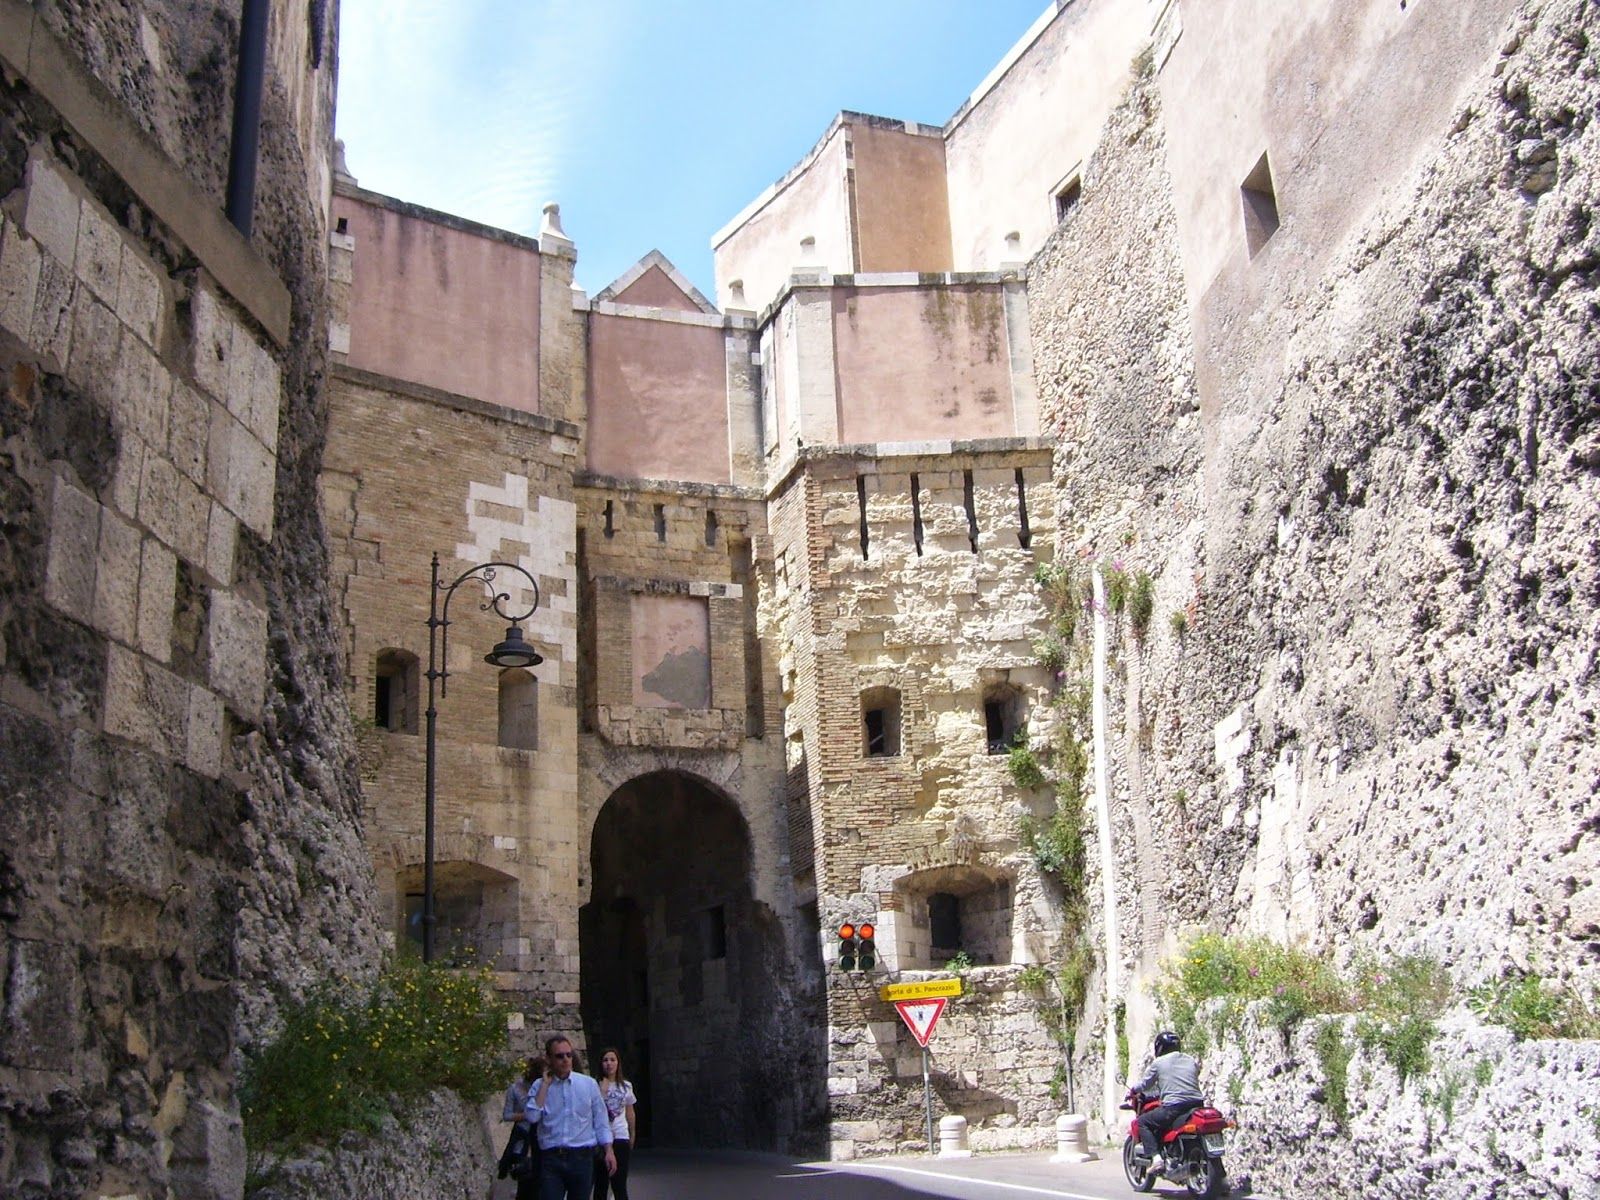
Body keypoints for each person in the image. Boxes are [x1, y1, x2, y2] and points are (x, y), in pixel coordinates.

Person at [525, 1035, 615, 1200]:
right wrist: (545, 1085)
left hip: (581, 1157)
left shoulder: (588, 1084)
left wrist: (608, 1150)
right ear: (549, 1059)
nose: (565, 1060)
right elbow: (532, 1117)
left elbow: (601, 1120)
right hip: (551, 1158)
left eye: (569, 1055)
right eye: (559, 1056)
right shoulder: (539, 1086)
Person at [1129, 1030, 1205, 1174]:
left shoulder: (1158, 1063)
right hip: (1197, 1105)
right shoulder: (1190, 1059)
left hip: (1174, 1108)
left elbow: (1145, 1084)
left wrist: (1133, 1089)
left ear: (1160, 1047)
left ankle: (1156, 1159)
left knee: (1143, 1122)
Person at [593, 1048, 637, 1200]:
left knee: (619, 1185)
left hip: (620, 1136)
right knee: (600, 1184)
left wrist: (632, 1134)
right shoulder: (594, 1085)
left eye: (612, 1060)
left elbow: (630, 1112)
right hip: (601, 1140)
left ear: (618, 1063)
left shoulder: (626, 1086)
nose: (609, 1064)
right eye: (605, 1060)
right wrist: (602, 1092)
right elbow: (592, 1110)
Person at [499, 1056, 544, 1199]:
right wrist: (528, 1115)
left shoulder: (546, 1088)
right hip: (522, 1138)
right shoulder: (515, 1089)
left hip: (541, 1138)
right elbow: (507, 1115)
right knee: (524, 1178)